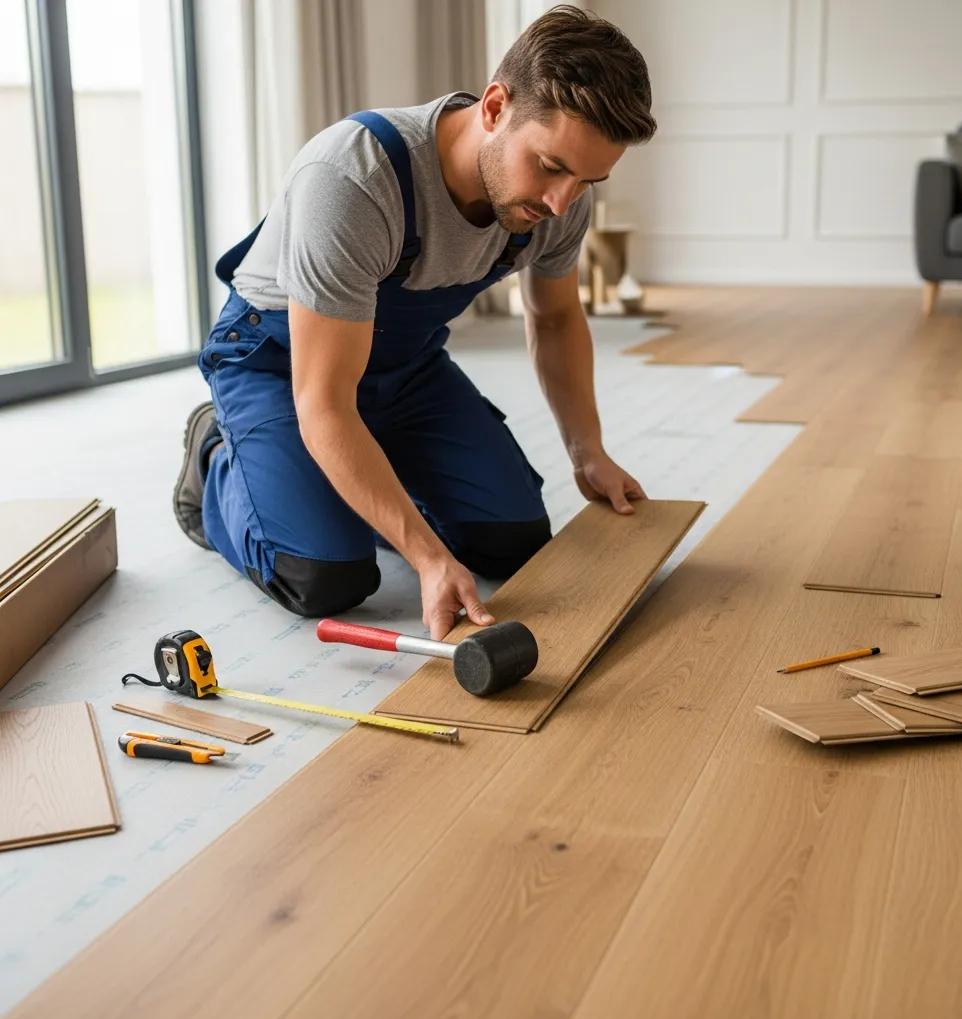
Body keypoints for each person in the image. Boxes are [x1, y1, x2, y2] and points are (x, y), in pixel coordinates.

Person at [173, 4, 656, 640]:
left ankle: (353, 474)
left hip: (403, 367)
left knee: (511, 539)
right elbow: (322, 399)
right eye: (551, 166)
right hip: (281, 363)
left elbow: (558, 318)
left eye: (588, 179)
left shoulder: (557, 202)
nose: (561, 203)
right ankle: (216, 456)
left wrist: (586, 450)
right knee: (326, 576)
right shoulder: (353, 178)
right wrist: (428, 559)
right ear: (494, 107)